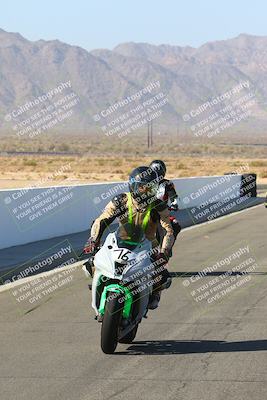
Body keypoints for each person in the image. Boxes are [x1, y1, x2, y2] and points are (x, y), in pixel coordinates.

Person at [83, 166, 175, 309]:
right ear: (133, 185)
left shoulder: (158, 206)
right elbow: (101, 220)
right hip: (120, 242)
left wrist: (164, 252)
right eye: (142, 188)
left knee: (162, 276)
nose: (146, 192)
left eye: (150, 188)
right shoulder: (121, 200)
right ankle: (100, 284)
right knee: (91, 264)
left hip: (148, 247)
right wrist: (93, 240)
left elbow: (168, 230)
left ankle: (155, 294)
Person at [149, 160, 182, 250]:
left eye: (159, 172)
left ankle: (166, 250)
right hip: (146, 211)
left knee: (175, 225)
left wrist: (174, 204)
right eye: (155, 172)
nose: (157, 175)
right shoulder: (145, 183)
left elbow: (173, 196)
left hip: (162, 212)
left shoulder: (167, 184)